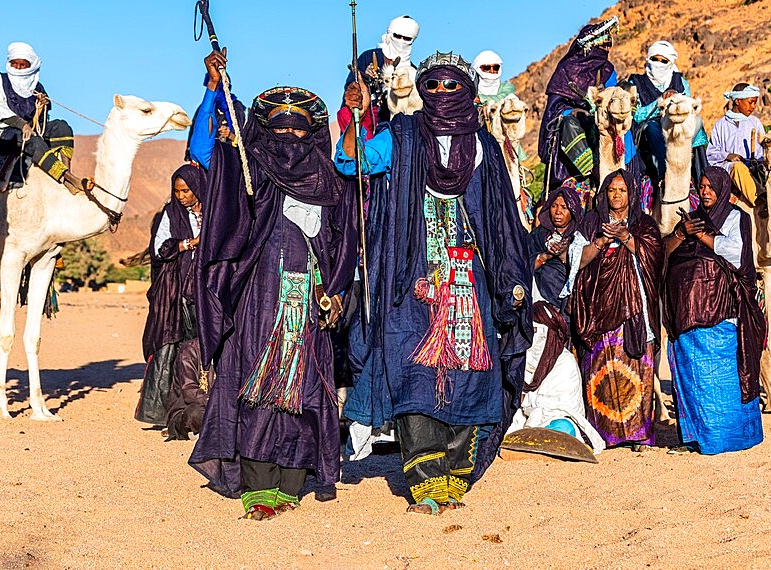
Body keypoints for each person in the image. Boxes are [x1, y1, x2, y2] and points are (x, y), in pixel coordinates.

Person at [337, 52, 532, 515]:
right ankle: (425, 482)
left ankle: (456, 476)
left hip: (472, 280)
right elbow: (351, 162)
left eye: (451, 86)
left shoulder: (484, 147)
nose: (442, 94)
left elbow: (503, 220)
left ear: (468, 90)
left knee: (472, 374)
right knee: (415, 375)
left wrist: (511, 280)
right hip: (412, 279)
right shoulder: (402, 137)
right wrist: (359, 116)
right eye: (433, 86)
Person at [190, 61, 358, 520]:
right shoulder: (252, 170)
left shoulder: (332, 178)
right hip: (259, 303)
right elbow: (203, 149)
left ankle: (293, 482)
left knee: (304, 392)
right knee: (258, 388)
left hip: (312, 304)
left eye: (300, 131)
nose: (291, 140)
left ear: (314, 133)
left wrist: (339, 289)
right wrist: (213, 94)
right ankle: (259, 487)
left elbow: (345, 238)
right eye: (280, 129)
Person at [663, 167, 765, 454]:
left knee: (724, 379)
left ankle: (732, 439)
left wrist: (704, 237)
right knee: (693, 380)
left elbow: (736, 254)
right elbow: (664, 255)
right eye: (702, 186)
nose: (705, 191)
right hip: (686, 314)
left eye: (711, 187)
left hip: (722, 314)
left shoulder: (737, 218)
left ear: (722, 189)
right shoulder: (691, 220)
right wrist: (683, 233)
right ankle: (695, 438)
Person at [567, 169, 663, 451]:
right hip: (598, 308)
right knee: (601, 366)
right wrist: (600, 241)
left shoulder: (643, 223)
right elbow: (578, 261)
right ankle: (604, 434)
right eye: (612, 190)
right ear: (604, 193)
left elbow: (654, 255)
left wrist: (627, 237)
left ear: (631, 194)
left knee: (637, 367)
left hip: (633, 307)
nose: (617, 195)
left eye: (622, 190)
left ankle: (639, 435)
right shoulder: (591, 222)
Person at [135, 164, 211, 440]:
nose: (181, 196)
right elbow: (159, 247)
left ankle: (206, 408)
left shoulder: (214, 208)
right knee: (173, 347)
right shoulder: (171, 213)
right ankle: (169, 413)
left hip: (207, 290)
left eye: (186, 191)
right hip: (177, 292)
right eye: (177, 191)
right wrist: (190, 243)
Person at [506, 301, 606, 454]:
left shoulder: (565, 362)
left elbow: (566, 406)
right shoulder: (519, 359)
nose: (531, 337)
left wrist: (527, 399)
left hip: (555, 418)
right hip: (524, 417)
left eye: (535, 330)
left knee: (564, 429)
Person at [0, 42, 86, 193]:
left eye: (22, 65)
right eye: (15, 64)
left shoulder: (37, 87)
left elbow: (43, 118)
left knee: (62, 127)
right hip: (7, 132)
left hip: (33, 128)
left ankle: (67, 172)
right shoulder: (0, 80)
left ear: (30, 65)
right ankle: (64, 176)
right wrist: (22, 124)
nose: (18, 68)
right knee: (33, 141)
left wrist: (43, 105)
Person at [540, 17, 618, 193]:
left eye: (608, 45)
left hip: (601, 122)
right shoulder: (566, 70)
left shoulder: (608, 71)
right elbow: (553, 109)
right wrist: (573, 111)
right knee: (570, 124)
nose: (606, 50)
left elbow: (613, 97)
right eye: (602, 45)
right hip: (571, 127)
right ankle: (590, 172)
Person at [628, 40, 707, 188]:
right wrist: (660, 102)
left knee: (697, 123)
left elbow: (689, 108)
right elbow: (636, 114)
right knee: (652, 128)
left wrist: (676, 96)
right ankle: (664, 176)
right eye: (654, 59)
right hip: (647, 128)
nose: (658, 64)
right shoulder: (636, 82)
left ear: (670, 62)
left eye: (663, 61)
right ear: (648, 59)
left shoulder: (680, 82)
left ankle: (702, 177)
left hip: (676, 124)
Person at [705, 83, 767, 206]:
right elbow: (711, 154)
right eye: (750, 102)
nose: (753, 106)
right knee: (738, 167)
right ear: (738, 101)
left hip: (754, 168)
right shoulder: (720, 125)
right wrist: (728, 155)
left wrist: (755, 160)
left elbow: (763, 150)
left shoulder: (755, 123)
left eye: (755, 103)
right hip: (729, 169)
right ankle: (759, 201)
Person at [529, 187, 587, 315]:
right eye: (554, 206)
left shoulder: (580, 236)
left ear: (572, 210)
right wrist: (545, 257)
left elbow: (586, 268)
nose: (558, 212)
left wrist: (564, 255)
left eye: (564, 207)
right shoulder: (538, 235)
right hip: (540, 301)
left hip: (572, 303)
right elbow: (523, 268)